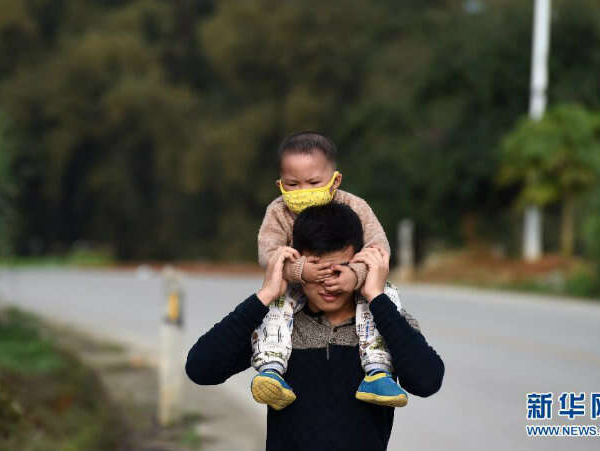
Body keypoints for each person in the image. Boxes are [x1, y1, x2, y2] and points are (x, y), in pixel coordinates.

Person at [185, 202, 444, 451]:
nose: (328, 284)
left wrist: (377, 297)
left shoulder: (386, 322)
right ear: (298, 265)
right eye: (317, 271)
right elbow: (201, 369)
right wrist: (264, 296)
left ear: (359, 264)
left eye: (339, 270)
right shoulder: (276, 327)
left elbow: (427, 381)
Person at [253, 131, 405, 411]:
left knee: (384, 296)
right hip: (298, 286)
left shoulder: (356, 207)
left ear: (335, 180)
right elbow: (268, 252)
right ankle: (272, 369)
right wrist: (299, 269)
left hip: (351, 284)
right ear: (280, 185)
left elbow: (379, 249)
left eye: (313, 182)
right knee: (275, 303)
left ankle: (377, 371)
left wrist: (355, 274)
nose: (302, 192)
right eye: (292, 184)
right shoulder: (277, 212)